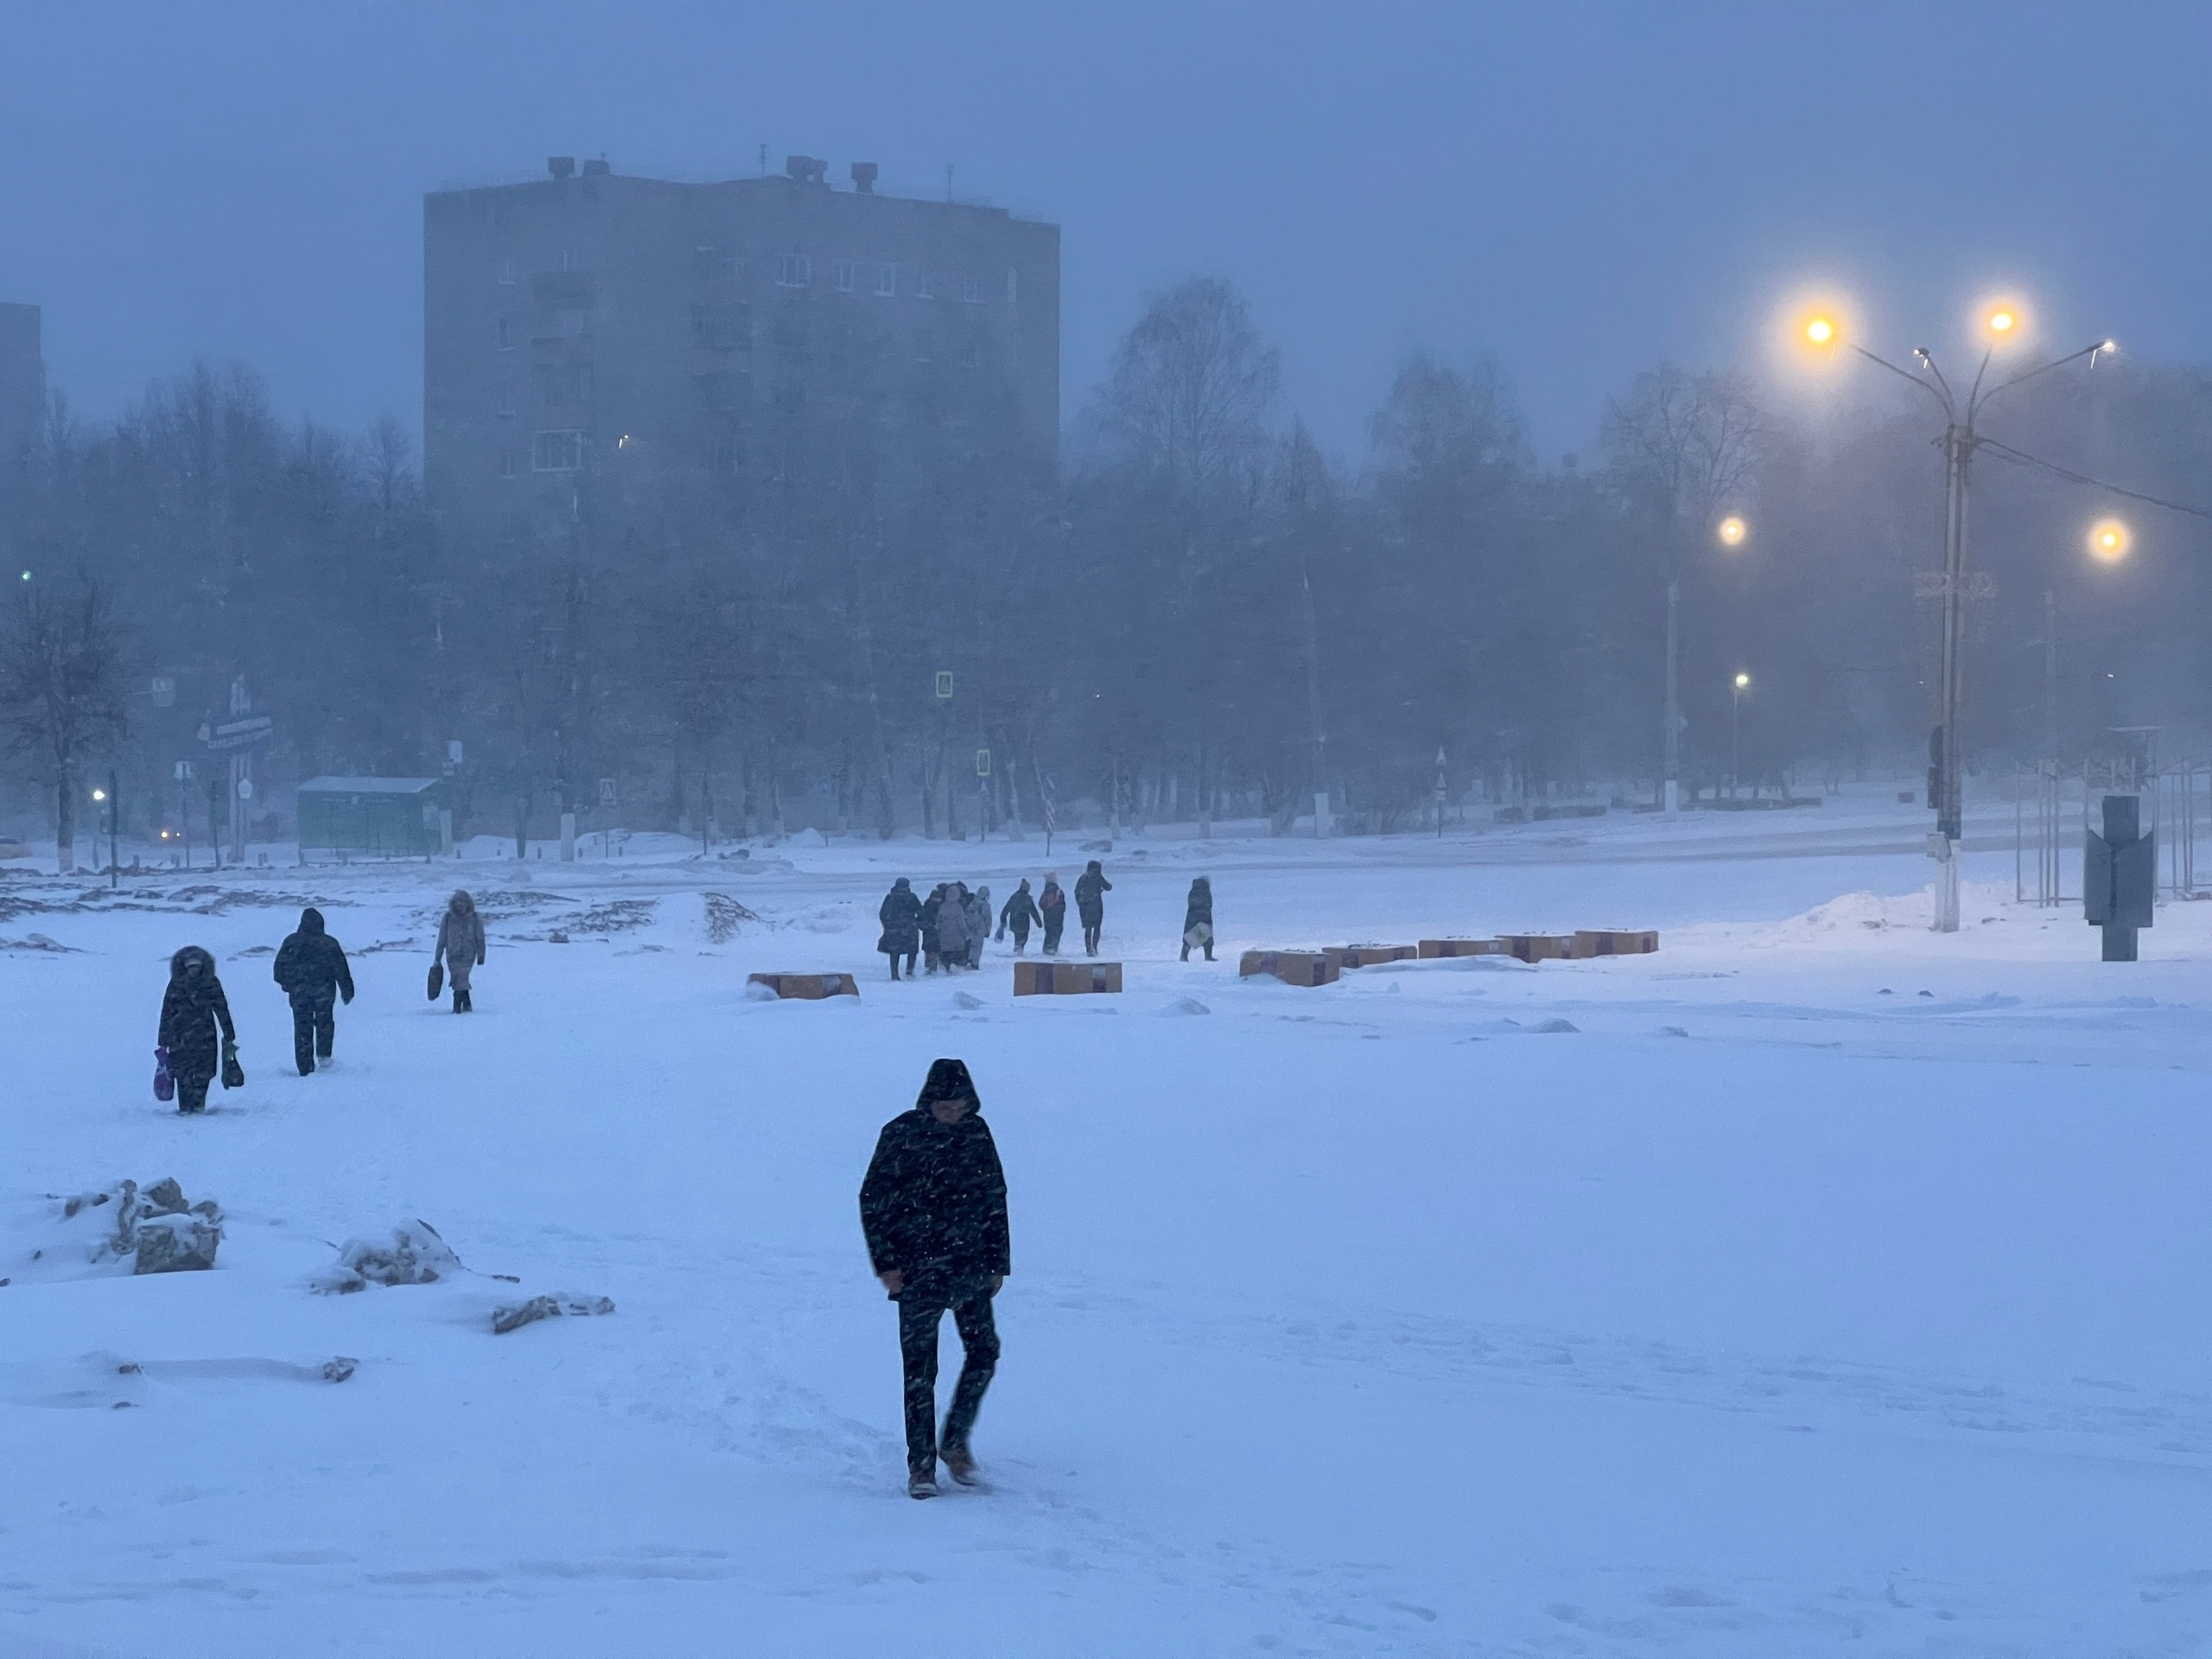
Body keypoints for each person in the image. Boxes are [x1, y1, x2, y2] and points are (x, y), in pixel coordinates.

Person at [859, 1058, 1009, 1500]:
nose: (951, 1111)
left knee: (984, 1352)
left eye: (959, 1104)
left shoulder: (977, 1133)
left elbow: (995, 1195)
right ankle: (921, 1466)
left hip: (970, 1269)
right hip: (916, 1271)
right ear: (929, 1101)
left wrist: (998, 1261)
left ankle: (955, 1441)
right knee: (920, 1370)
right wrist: (886, 1262)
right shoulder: (900, 1134)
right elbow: (873, 1197)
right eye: (944, 1104)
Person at [273, 906, 354, 1076]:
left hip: (299, 994)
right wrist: (347, 990)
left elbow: (278, 968)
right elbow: (341, 969)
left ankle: (305, 1066)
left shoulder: (291, 942)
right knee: (325, 1023)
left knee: (302, 1027)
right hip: (324, 993)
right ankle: (324, 1057)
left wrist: (288, 985)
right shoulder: (329, 943)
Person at [158, 946, 235, 1116]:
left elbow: (221, 1007)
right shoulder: (176, 984)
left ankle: (199, 1103)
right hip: (179, 1036)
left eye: (197, 967)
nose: (194, 970)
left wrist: (228, 1032)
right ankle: (185, 1106)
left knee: (204, 1072)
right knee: (182, 1072)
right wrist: (163, 1039)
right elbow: (167, 1011)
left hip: (204, 1035)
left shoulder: (211, 983)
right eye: (190, 967)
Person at [435, 890, 486, 1011]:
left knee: (462, 977)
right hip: (452, 954)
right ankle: (467, 1003)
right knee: (457, 978)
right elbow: (442, 938)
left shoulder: (475, 918)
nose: (460, 905)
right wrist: (438, 956)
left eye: (463, 902)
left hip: (468, 955)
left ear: (468, 903)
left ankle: (456, 1006)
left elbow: (480, 937)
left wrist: (481, 954)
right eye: (457, 902)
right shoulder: (448, 917)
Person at [878, 877, 923, 980]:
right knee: (912, 950)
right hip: (910, 928)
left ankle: (894, 975)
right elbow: (921, 911)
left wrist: (887, 925)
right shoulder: (912, 897)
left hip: (894, 929)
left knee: (894, 952)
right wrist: (917, 922)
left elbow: (883, 914)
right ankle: (909, 972)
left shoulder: (890, 897)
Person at [1075, 859, 1112, 957]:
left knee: (1088, 928)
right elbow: (1108, 887)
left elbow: (1077, 891)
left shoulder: (1083, 878)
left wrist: (1081, 904)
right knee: (1097, 927)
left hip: (1086, 907)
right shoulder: (1098, 877)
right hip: (1097, 906)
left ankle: (1088, 949)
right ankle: (1094, 947)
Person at [997, 879, 1042, 954]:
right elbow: (1034, 912)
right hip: (1024, 921)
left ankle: (1018, 947)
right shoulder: (1028, 899)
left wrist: (1003, 919)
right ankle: (1019, 948)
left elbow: (1006, 909)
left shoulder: (1014, 897)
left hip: (1014, 920)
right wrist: (1039, 923)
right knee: (1024, 936)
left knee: (1017, 935)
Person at [937, 883, 971, 973]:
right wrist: (966, 933)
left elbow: (939, 921)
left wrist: (939, 930)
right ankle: (955, 966)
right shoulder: (958, 907)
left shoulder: (942, 906)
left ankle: (946, 966)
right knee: (957, 951)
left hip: (945, 933)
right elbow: (961, 922)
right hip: (956, 934)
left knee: (946, 951)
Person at [1180, 875, 1216, 962]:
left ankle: (1184, 955)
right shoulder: (1205, 892)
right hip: (1204, 916)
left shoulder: (1193, 892)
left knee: (1190, 936)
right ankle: (1208, 956)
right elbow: (1209, 904)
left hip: (1192, 917)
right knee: (1207, 936)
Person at [1038, 873, 1067, 956]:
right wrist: (1058, 910)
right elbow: (1063, 906)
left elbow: (1041, 904)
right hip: (1058, 916)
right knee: (1057, 932)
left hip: (1047, 916)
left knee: (1049, 932)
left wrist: (1048, 910)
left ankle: (1047, 948)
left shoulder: (1045, 892)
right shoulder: (1058, 892)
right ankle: (1053, 948)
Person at [919, 885, 946, 975]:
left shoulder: (926, 907)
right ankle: (932, 968)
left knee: (931, 950)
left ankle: (930, 968)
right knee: (933, 950)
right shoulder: (940, 907)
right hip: (933, 933)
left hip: (930, 933)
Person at [965, 885, 991, 970]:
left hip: (969, 927)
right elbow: (988, 919)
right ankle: (974, 963)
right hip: (979, 928)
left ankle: (968, 959)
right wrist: (987, 931)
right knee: (978, 946)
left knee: (970, 944)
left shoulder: (972, 902)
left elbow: (966, 915)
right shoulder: (986, 905)